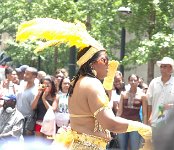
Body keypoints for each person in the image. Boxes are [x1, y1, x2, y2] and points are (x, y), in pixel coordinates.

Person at [15, 18, 151, 150]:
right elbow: (111, 124)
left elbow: (101, 107)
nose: (108, 64)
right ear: (94, 63)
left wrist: (108, 82)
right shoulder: (92, 84)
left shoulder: (79, 82)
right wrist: (141, 127)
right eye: (105, 60)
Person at [147, 57, 174, 135]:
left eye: (165, 66)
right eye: (161, 66)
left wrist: (172, 106)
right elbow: (149, 102)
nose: (162, 68)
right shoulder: (154, 82)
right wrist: (149, 117)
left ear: (170, 68)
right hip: (155, 123)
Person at [117, 74, 148, 150]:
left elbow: (144, 114)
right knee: (122, 147)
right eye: (131, 80)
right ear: (128, 81)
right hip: (123, 124)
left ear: (138, 82)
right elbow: (119, 111)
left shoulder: (142, 96)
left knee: (134, 147)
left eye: (135, 80)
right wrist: (115, 123)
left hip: (136, 125)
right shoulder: (123, 94)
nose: (133, 82)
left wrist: (144, 127)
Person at [16, 67, 38, 136]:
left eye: (27, 74)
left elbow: (34, 108)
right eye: (25, 73)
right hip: (16, 118)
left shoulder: (35, 91)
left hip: (27, 121)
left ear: (34, 76)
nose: (24, 75)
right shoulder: (22, 83)